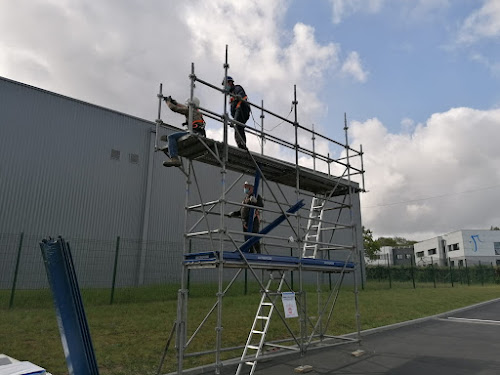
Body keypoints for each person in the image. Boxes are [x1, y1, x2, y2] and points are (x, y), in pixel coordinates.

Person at [160, 96, 206, 167]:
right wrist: (175, 102)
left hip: (193, 132)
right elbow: (183, 106)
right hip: (199, 133)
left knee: (171, 137)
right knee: (178, 136)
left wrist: (168, 102)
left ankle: (174, 159)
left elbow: (174, 108)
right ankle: (172, 144)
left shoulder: (189, 110)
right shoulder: (197, 112)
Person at [228, 181, 264, 253]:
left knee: (254, 238)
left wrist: (255, 201)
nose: (245, 189)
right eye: (245, 187)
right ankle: (251, 253)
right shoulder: (245, 199)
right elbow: (241, 211)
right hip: (245, 223)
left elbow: (261, 206)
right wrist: (233, 214)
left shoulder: (256, 196)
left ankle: (258, 254)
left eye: (246, 187)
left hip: (253, 221)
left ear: (251, 188)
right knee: (247, 240)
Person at [222, 76, 250, 150]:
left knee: (238, 127)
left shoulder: (237, 88)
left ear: (230, 82)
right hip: (238, 113)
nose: (225, 87)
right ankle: (241, 145)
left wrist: (235, 119)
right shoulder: (232, 94)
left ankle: (242, 144)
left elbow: (239, 104)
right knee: (239, 128)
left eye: (226, 84)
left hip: (243, 110)